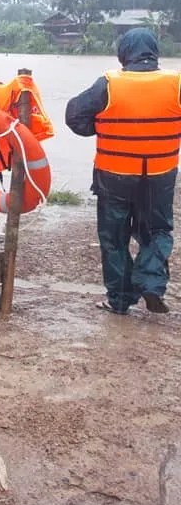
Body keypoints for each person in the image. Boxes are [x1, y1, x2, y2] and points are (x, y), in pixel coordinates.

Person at [65, 28, 180, 315]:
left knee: (114, 238)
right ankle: (151, 284)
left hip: (114, 174)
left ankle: (119, 300)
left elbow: (74, 115)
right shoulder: (176, 83)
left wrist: (101, 127)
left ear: (123, 54)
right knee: (158, 231)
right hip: (160, 175)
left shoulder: (108, 83)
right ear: (155, 53)